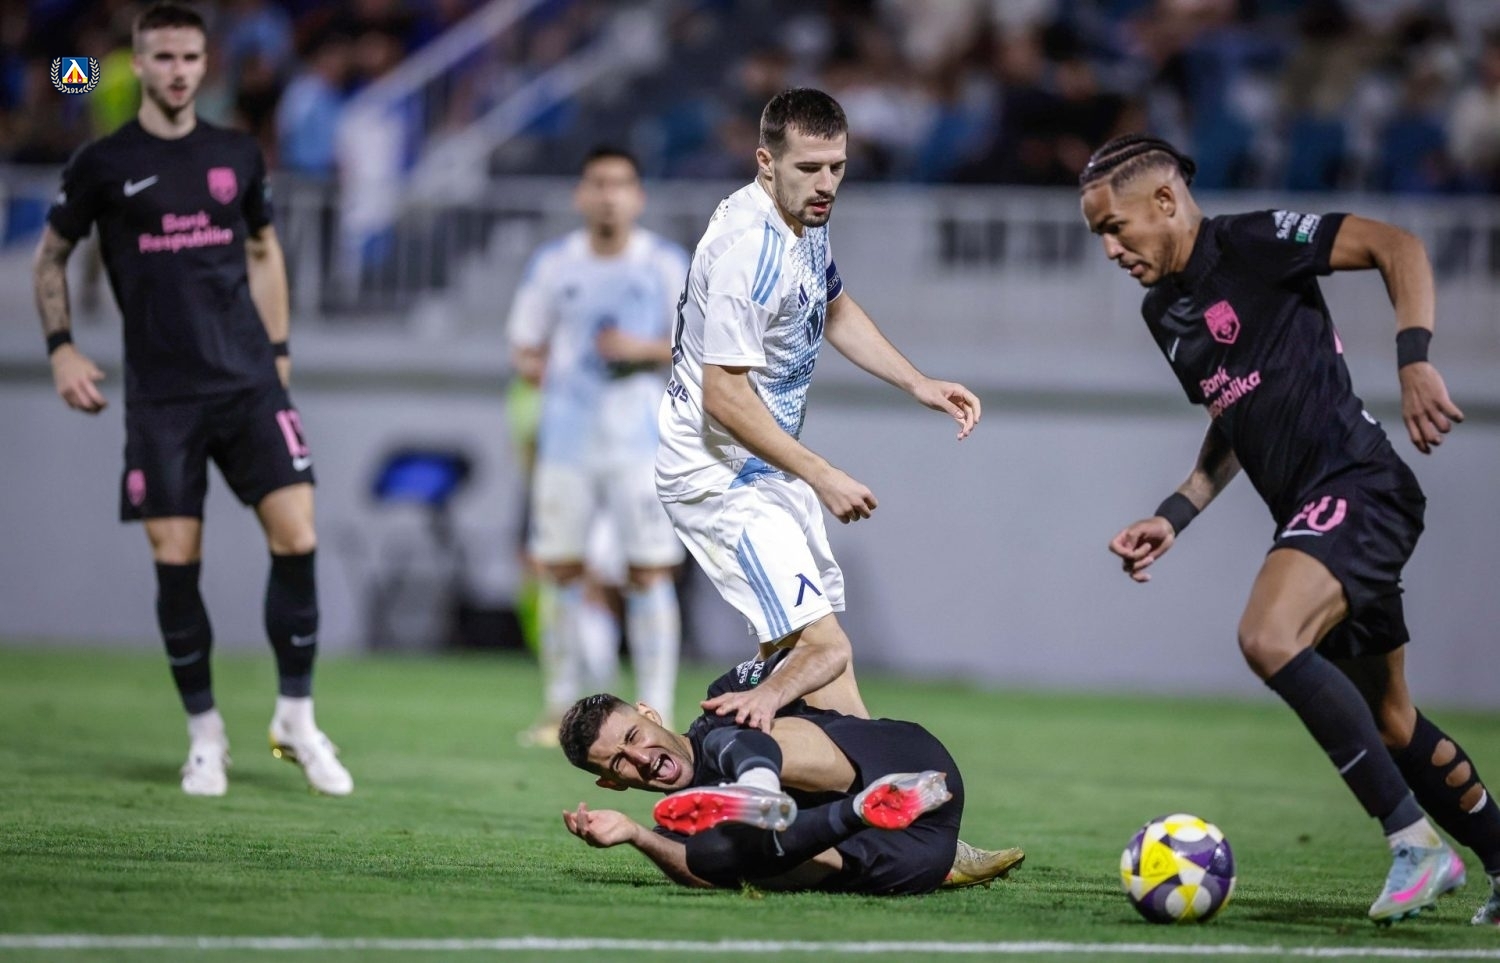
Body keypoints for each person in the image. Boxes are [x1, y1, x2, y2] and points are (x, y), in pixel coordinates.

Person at [1078, 133, 1499, 926]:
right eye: (1099, 234)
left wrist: (1415, 358)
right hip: (1317, 513)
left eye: (1114, 227)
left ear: (1165, 201)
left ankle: (1414, 841)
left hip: (1360, 485)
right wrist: (1176, 512)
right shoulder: (1163, 313)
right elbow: (1234, 414)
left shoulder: (1255, 241)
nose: (1109, 249)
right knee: (1391, 720)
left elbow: (1398, 246)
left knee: (1268, 635)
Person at [32, 2, 351, 798]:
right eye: (163, 57)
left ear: (206, 65)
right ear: (138, 64)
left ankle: (296, 716)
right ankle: (206, 735)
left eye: (189, 58)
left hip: (248, 383)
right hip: (163, 399)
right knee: (177, 562)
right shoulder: (105, 162)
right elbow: (51, 257)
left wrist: (279, 351)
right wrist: (62, 346)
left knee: (299, 534)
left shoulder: (236, 152)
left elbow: (264, 249)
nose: (177, 71)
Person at [656, 88, 981, 731]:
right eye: (809, 167)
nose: (827, 183)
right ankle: (713, 751)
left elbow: (832, 306)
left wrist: (917, 382)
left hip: (764, 468)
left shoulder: (805, 215)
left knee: (825, 672)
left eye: (837, 166)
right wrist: (823, 474)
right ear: (765, 161)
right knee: (823, 650)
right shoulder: (748, 250)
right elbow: (724, 395)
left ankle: (872, 793)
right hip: (718, 477)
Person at [558, 649, 1025, 894]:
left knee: (729, 732)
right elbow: (704, 876)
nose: (641, 758)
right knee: (713, 853)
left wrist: (771, 692)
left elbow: (828, 653)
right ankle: (860, 811)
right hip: (907, 860)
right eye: (620, 762)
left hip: (901, 762)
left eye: (634, 736)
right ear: (612, 783)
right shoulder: (680, 824)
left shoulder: (723, 698)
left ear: (649, 714)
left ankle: (757, 788)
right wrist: (636, 834)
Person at [507, 147, 690, 745]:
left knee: (649, 572)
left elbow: (700, 346)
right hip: (567, 443)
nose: (609, 195)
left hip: (642, 445)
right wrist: (541, 368)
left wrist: (640, 350)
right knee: (559, 569)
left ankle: (656, 710)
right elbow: (525, 344)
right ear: (580, 195)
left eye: (621, 183)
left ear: (638, 196)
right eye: (598, 183)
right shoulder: (554, 264)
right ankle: (558, 707)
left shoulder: (664, 263)